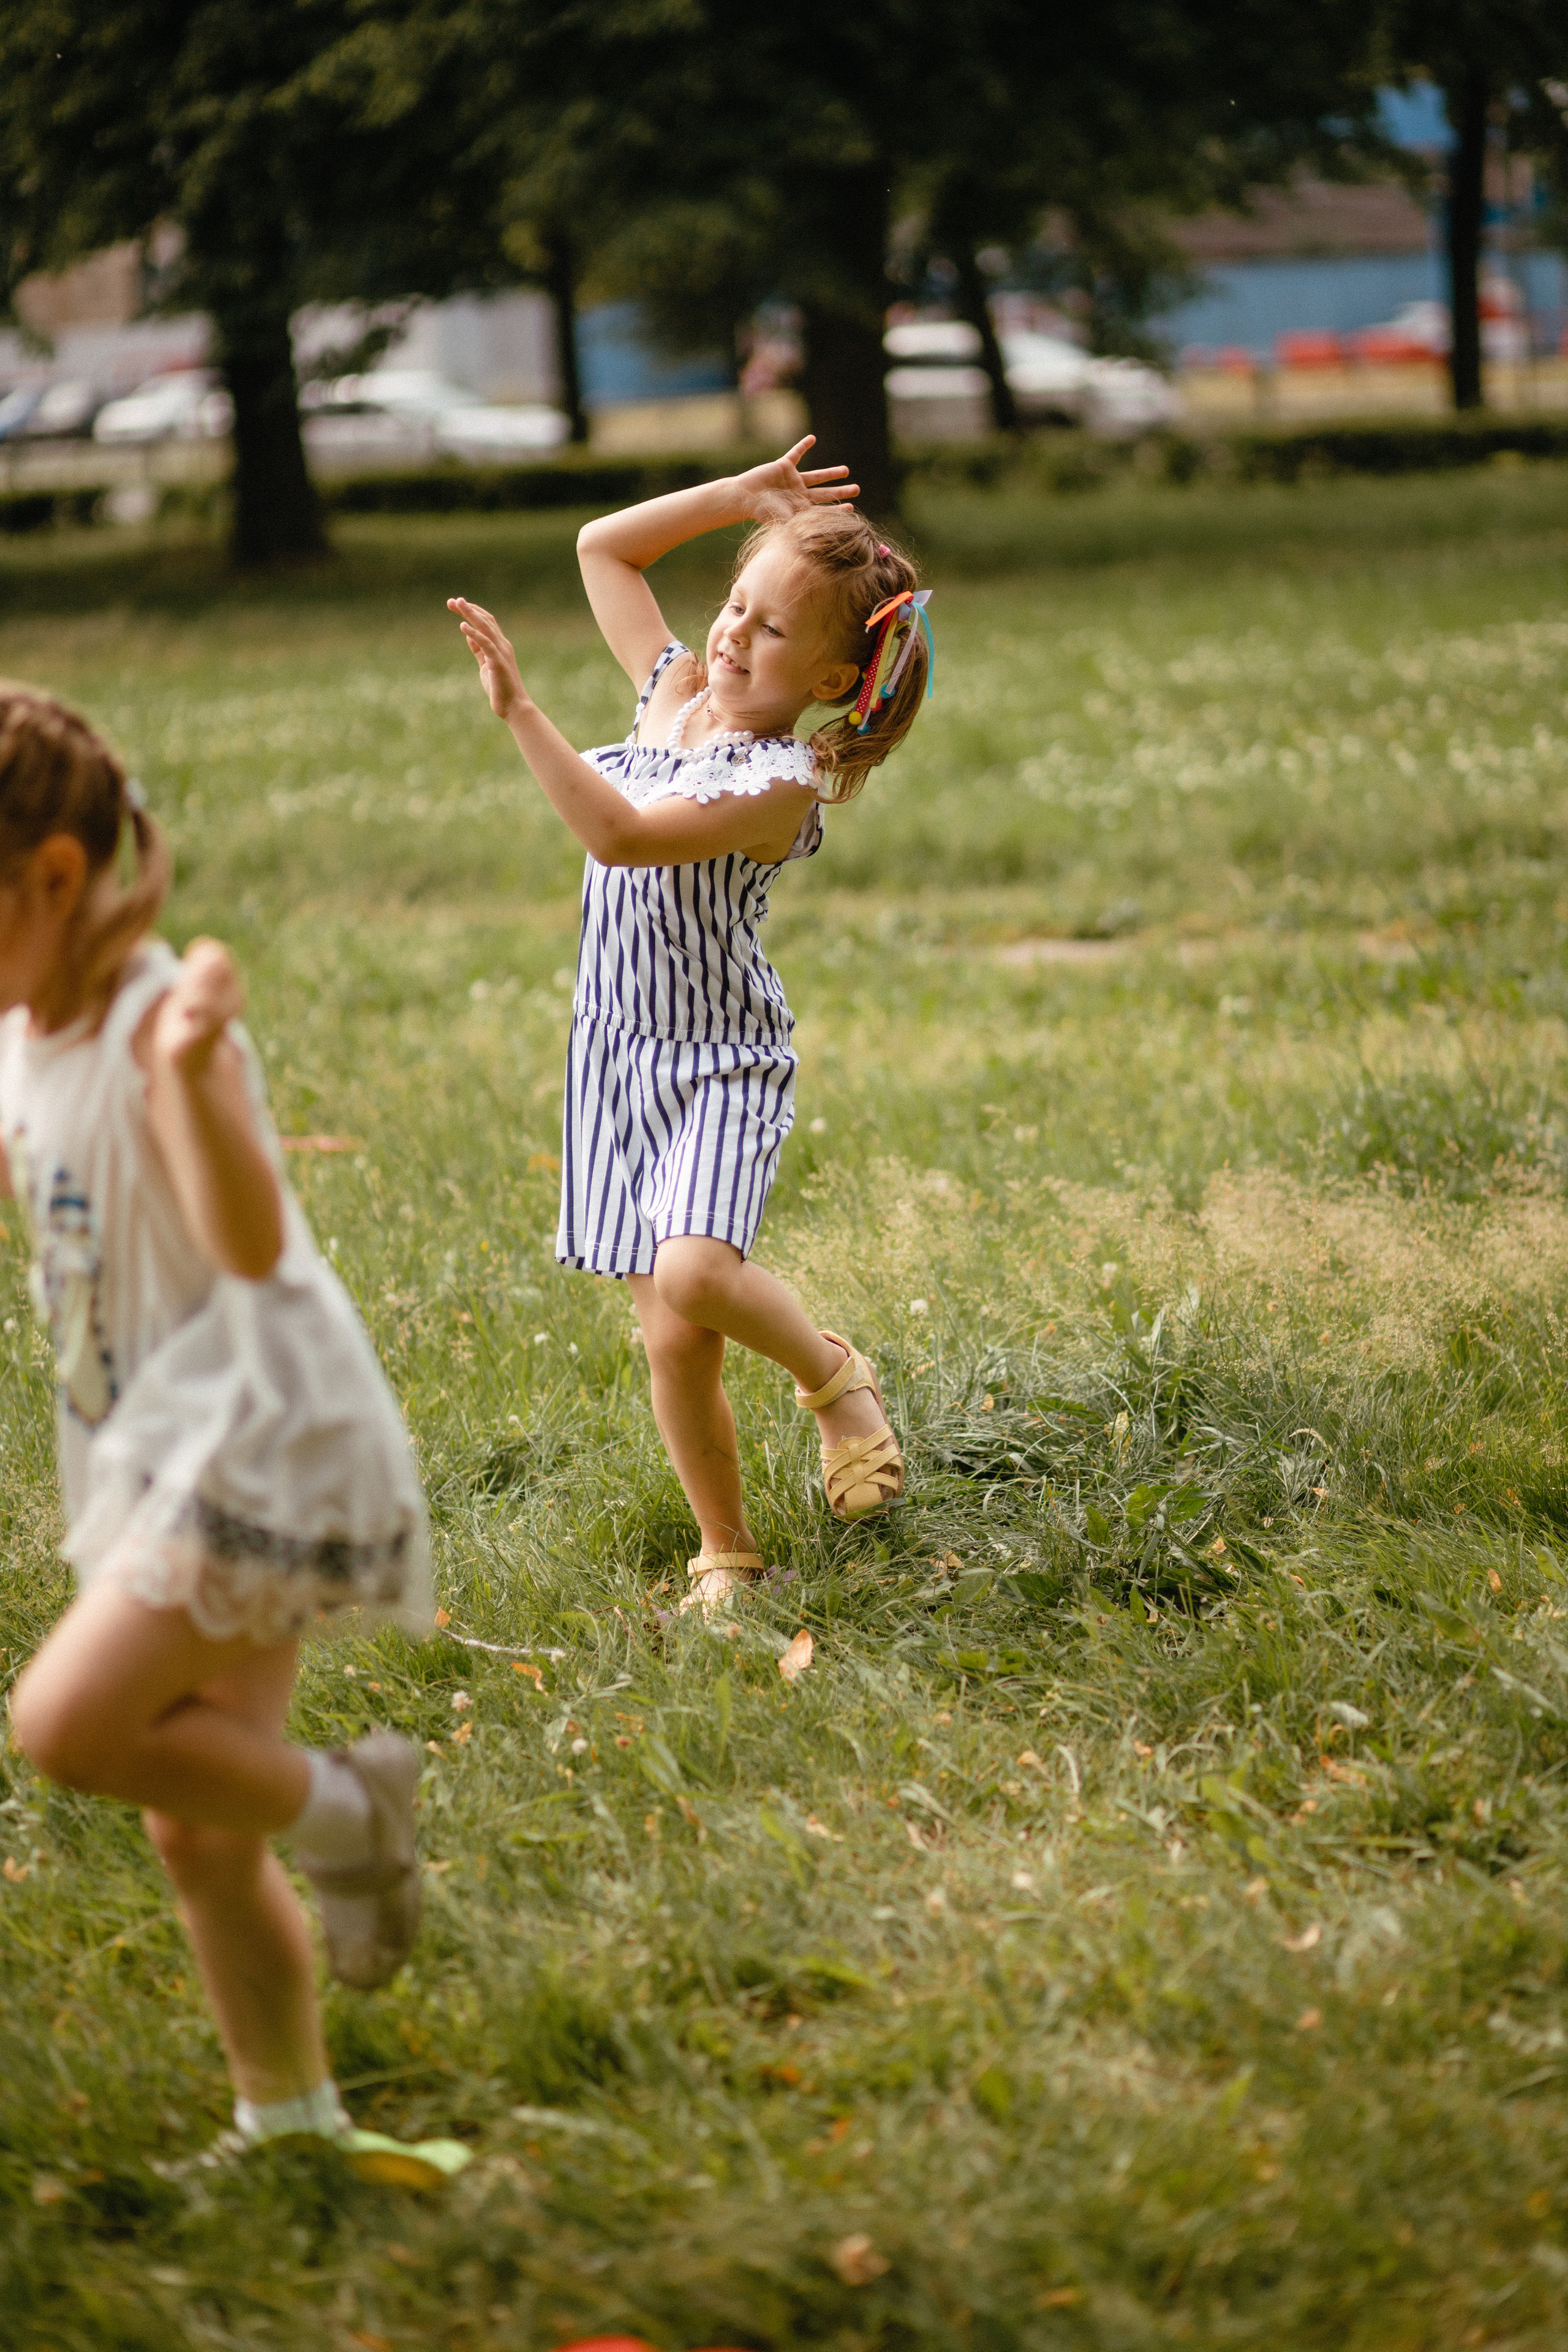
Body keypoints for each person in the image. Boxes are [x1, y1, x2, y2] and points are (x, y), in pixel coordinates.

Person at [0, 685, 466, 2188]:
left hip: (253, 1441)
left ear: (53, 881)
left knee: (66, 1728)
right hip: (154, 1445)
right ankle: (292, 2127)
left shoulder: (159, 1027)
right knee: (197, 1834)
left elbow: (251, 1243)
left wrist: (198, 1081)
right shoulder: (27, 1024)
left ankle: (351, 1812)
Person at [450, 438, 935, 1609]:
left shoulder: (776, 783)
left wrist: (521, 713)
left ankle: (835, 1382)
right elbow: (601, 548)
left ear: (827, 679)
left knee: (698, 1274)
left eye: (770, 631)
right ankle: (727, 1548)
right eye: (733, 602)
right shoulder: (672, 691)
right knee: (672, 1339)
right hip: (615, 1060)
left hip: (719, 1062)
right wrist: (737, 500)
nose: (730, 633)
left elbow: (618, 833)